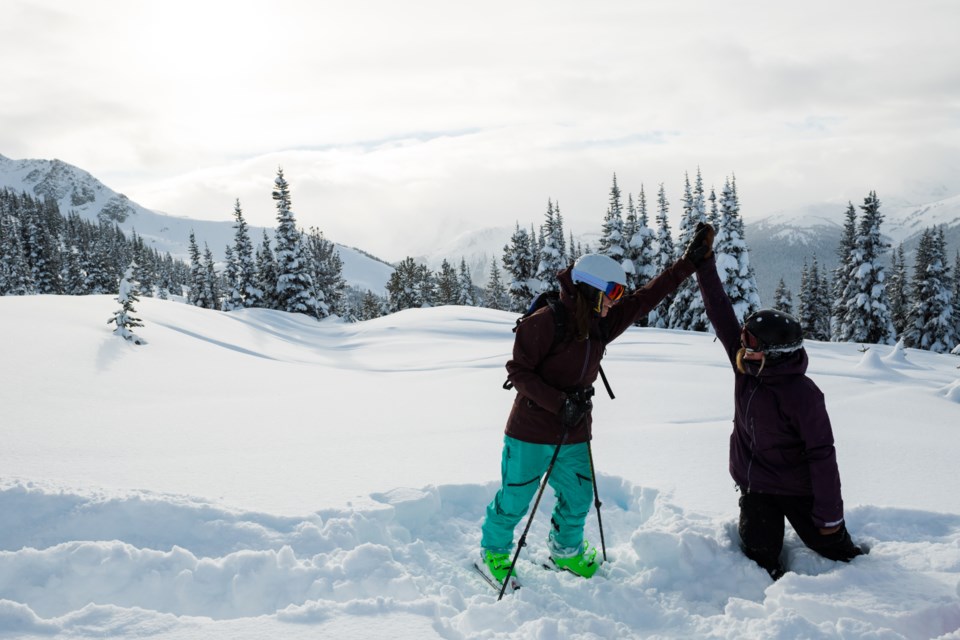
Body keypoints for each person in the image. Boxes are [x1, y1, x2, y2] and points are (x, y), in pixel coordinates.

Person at [479, 230, 713, 585]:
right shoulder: (545, 321)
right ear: (589, 289)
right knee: (515, 497)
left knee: (578, 494)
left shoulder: (601, 325)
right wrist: (559, 403)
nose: (617, 301)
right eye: (612, 292)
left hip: (574, 430)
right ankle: (492, 553)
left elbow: (645, 299)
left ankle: (565, 551)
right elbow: (519, 371)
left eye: (619, 293)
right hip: (531, 431)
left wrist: (687, 263)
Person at [692, 222, 864, 580]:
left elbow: (822, 454)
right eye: (743, 339)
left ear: (773, 352)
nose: (742, 346)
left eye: (750, 342)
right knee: (758, 554)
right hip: (757, 487)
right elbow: (720, 311)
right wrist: (704, 264)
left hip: (798, 488)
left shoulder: (803, 395)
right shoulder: (745, 369)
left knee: (835, 549)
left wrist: (830, 514)